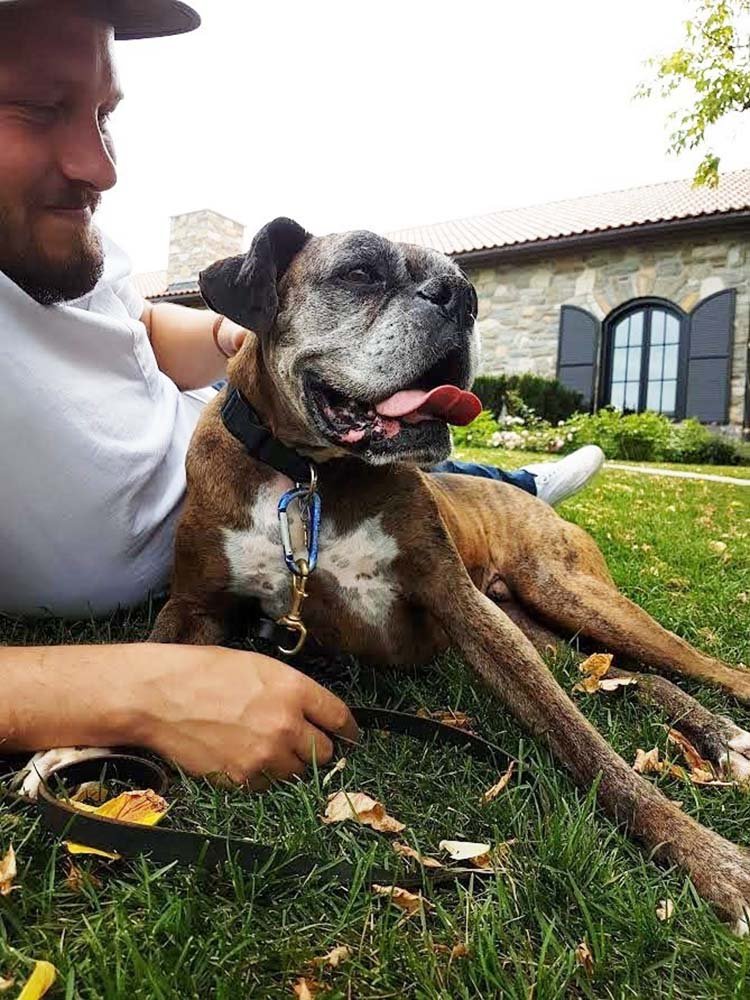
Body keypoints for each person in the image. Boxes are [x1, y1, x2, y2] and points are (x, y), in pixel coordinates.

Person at [0, 0, 604, 787]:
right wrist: (140, 690)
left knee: (399, 457)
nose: (103, 167)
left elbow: (132, 324)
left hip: (259, 436)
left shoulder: (71, 236)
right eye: (42, 107)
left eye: (105, 114)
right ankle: (507, 483)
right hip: (227, 497)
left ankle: (509, 484)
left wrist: (230, 336)